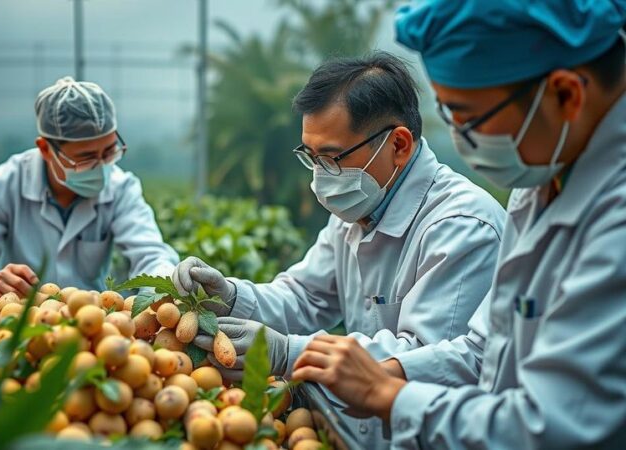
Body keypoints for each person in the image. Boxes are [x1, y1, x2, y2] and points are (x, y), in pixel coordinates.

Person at [292, 1, 626, 448]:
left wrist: (385, 393)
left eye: (471, 119)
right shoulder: (541, 181)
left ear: (566, 94)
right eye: (449, 116)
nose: (460, 140)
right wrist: (380, 375)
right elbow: (482, 349)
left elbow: (552, 425)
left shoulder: (612, 224)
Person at [172, 52, 506, 448]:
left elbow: (424, 361)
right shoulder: (360, 206)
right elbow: (305, 296)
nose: (319, 178)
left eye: (331, 159)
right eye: (310, 158)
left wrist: (291, 353)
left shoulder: (462, 227)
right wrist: (230, 297)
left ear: (398, 144)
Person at [0, 77, 178, 299]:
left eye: (108, 152)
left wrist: (171, 283)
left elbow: (150, 254)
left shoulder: (121, 188)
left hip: (94, 323)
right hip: (22, 319)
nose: (101, 167)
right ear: (45, 149)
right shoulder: (0, 186)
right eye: (85, 158)